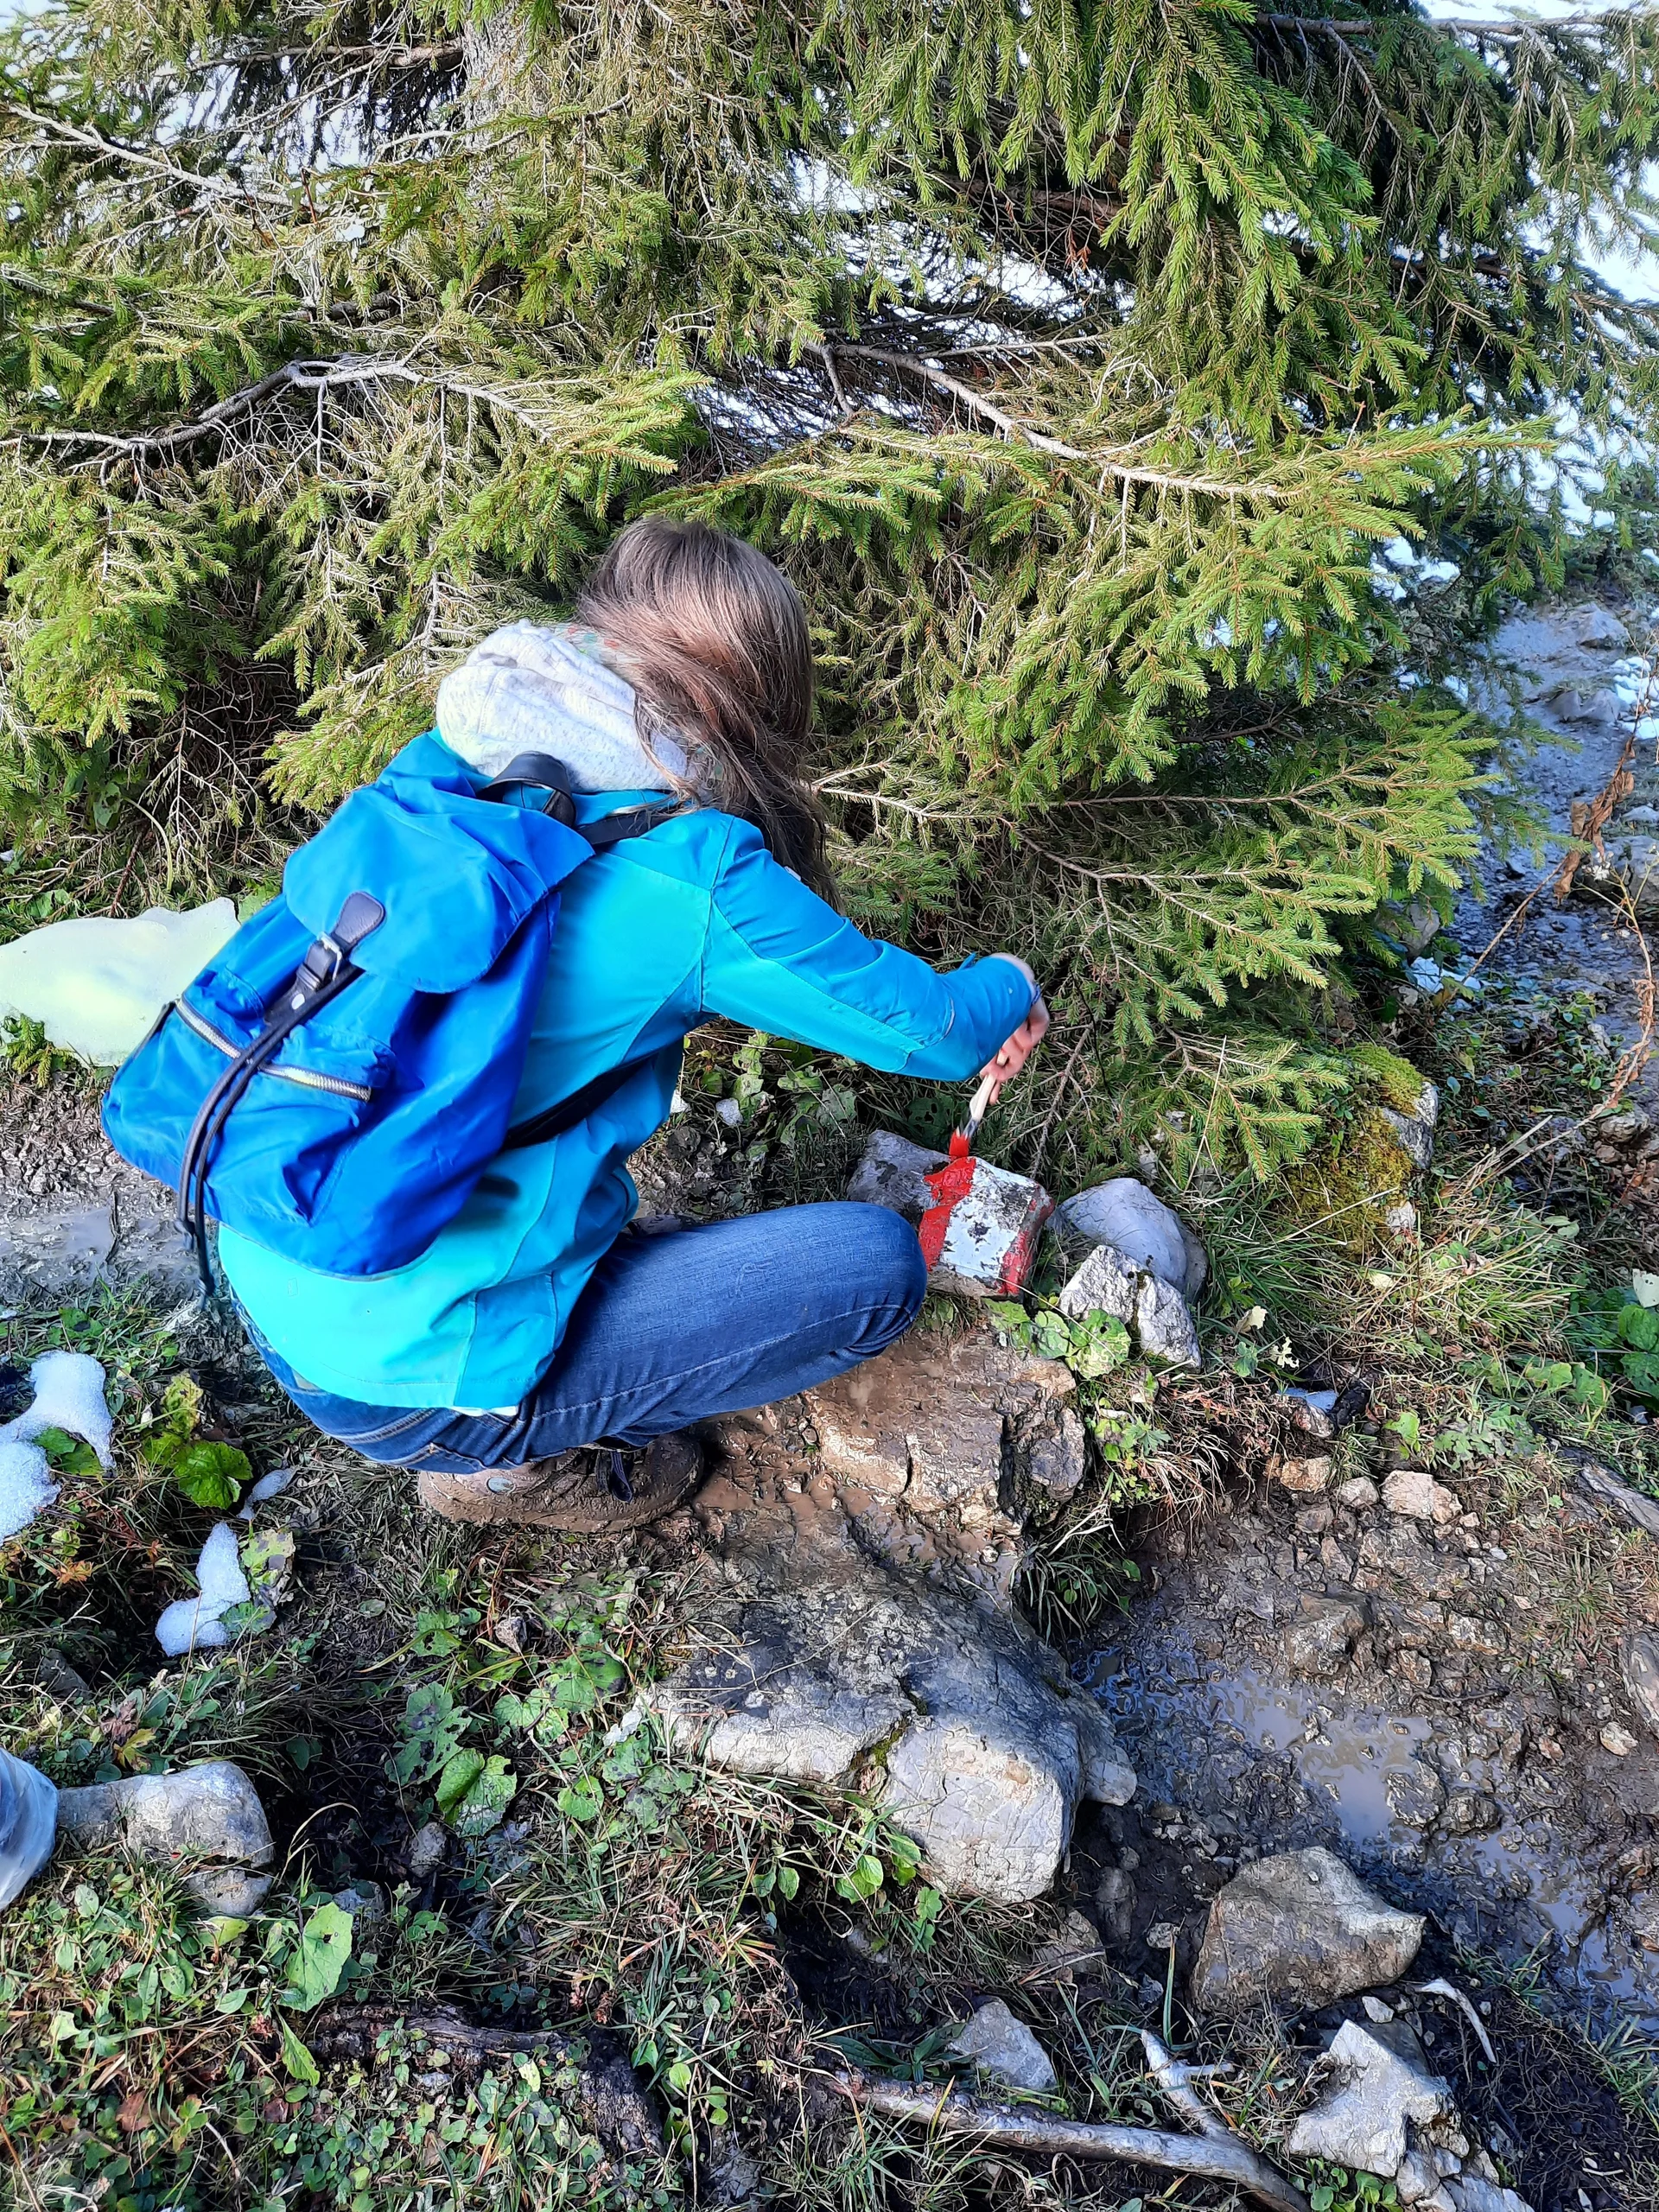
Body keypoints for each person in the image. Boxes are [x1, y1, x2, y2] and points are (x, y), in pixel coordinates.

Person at [220, 519, 1049, 1530]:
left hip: (276, 1252)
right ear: (758, 695)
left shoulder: (456, 757)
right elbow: (943, 1033)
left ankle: (510, 1359)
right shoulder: (695, 870)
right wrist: (1011, 981)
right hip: (416, 1369)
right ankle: (507, 1464)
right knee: (875, 1269)